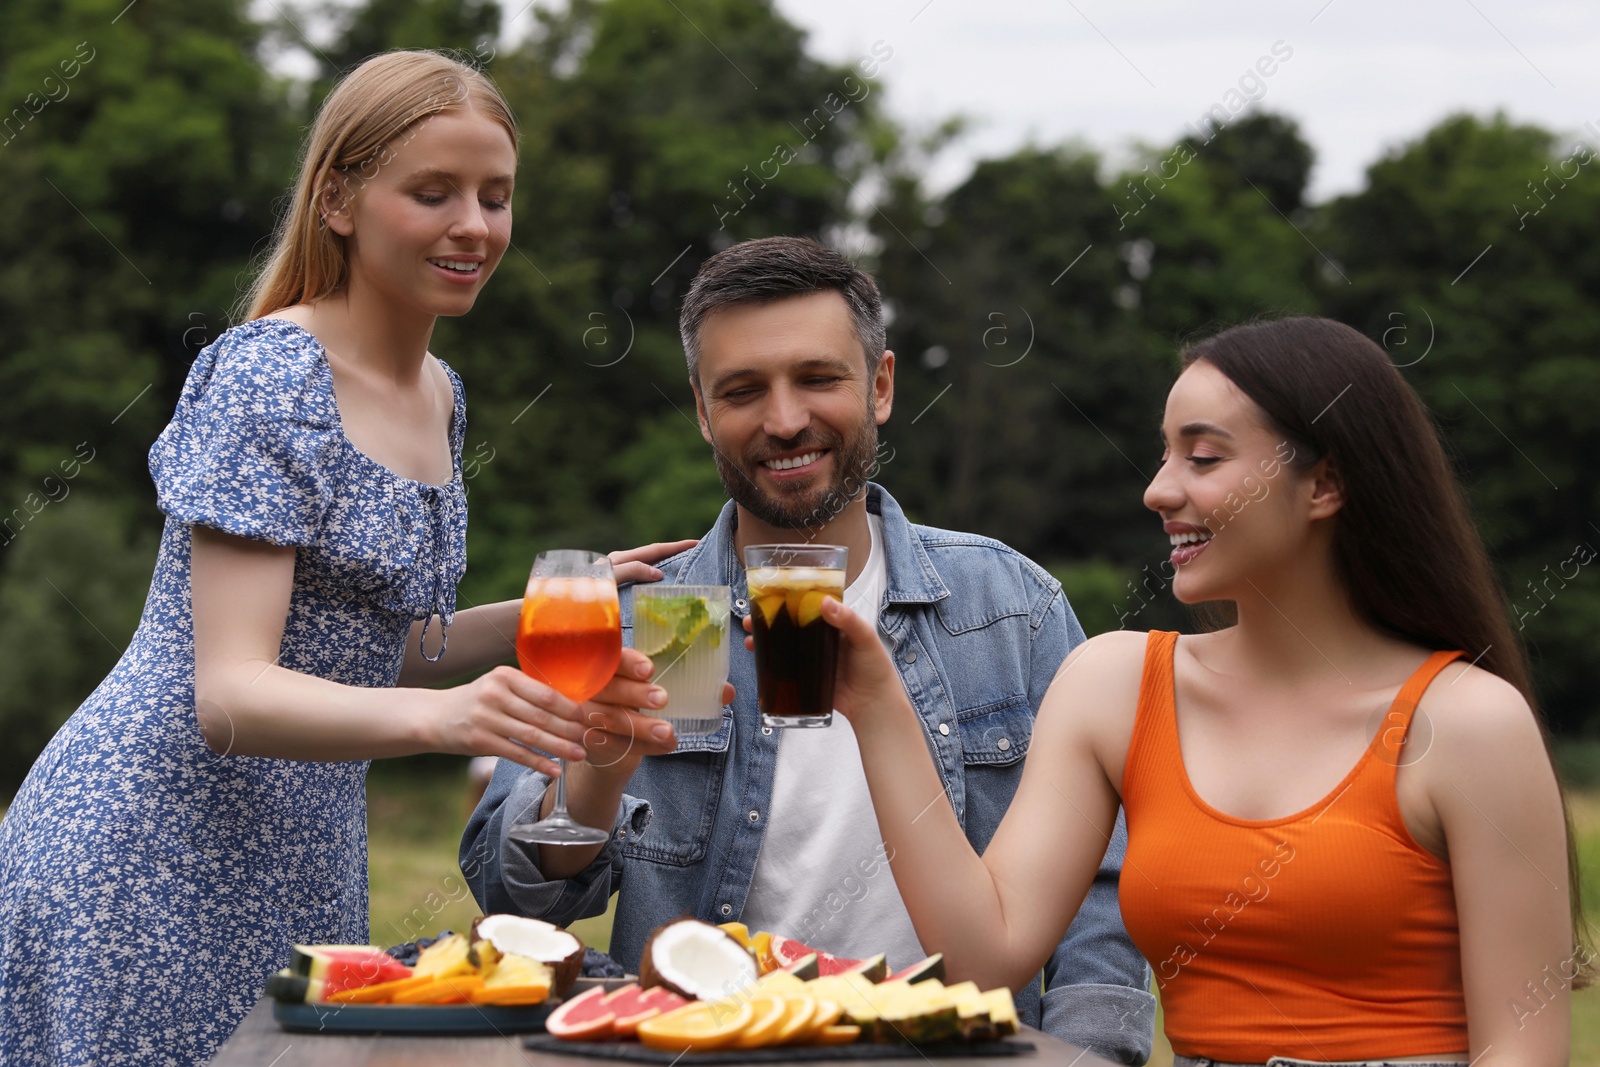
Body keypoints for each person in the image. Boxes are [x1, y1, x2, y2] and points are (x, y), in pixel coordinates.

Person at [0, 51, 684, 1067]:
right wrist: (448, 718)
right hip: (150, 842)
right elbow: (231, 692)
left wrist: (555, 605)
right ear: (338, 199)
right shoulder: (271, 375)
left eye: (495, 197)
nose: (475, 225)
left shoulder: (441, 395)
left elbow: (369, 646)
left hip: (298, 845)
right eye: (432, 192)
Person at [812, 316, 1583, 1065]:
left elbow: (1522, 1048)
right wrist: (878, 710)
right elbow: (986, 956)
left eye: (1203, 459)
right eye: (1163, 455)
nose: (1157, 490)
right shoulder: (1115, 685)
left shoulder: (1468, 723)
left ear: (1325, 484)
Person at [462, 236, 1156, 1062]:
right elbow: (514, 900)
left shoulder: (1010, 609)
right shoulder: (645, 620)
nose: (785, 419)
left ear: (882, 385)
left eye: (818, 378)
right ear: (700, 410)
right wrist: (592, 774)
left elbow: (1100, 894)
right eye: (743, 390)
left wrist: (1089, 1056)